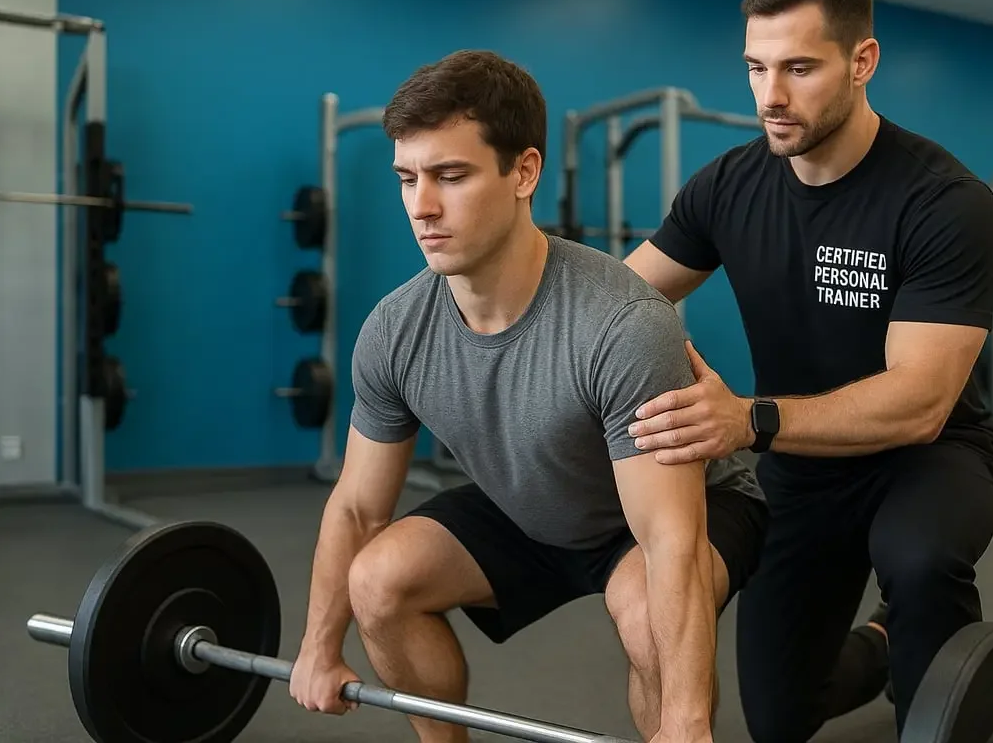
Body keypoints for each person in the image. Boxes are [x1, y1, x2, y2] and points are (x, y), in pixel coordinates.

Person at [286, 49, 768, 743]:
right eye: (407, 178)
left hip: (681, 510)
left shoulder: (621, 324)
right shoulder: (395, 329)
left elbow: (670, 540)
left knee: (644, 616)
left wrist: (688, 721)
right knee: (379, 581)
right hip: (535, 499)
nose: (422, 206)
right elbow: (360, 507)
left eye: (450, 176)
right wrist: (318, 647)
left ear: (524, 172)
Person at [622, 0, 993, 743]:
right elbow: (621, 303)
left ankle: (937, 702)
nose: (771, 95)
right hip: (799, 464)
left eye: (799, 67)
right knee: (781, 712)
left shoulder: (943, 199)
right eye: (757, 67)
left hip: (929, 457)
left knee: (922, 563)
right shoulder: (726, 187)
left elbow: (923, 401)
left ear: (862, 61)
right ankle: (883, 648)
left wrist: (746, 420)